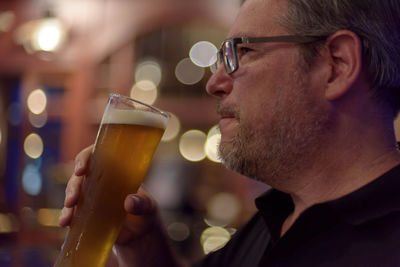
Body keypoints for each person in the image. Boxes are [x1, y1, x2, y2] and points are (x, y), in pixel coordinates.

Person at [59, 0, 400, 266]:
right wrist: (143, 244)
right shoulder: (278, 213)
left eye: (243, 52)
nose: (214, 83)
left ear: (336, 64)